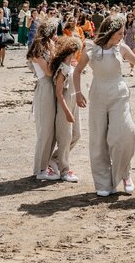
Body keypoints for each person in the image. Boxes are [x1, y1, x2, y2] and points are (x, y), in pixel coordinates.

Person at [72, 15, 135, 196]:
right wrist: (78, 93)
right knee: (98, 140)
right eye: (119, 33)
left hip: (119, 94)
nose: (122, 35)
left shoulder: (122, 48)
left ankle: (125, 173)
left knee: (124, 134)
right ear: (110, 32)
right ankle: (104, 183)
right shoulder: (91, 48)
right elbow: (78, 71)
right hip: (97, 95)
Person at [29, 19, 60, 180]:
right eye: (55, 32)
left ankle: (46, 163)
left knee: (52, 130)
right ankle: (40, 169)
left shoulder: (49, 45)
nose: (57, 36)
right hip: (45, 88)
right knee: (45, 129)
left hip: (52, 87)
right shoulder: (38, 49)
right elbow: (48, 72)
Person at [50, 36, 83, 183]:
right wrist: (67, 112)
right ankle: (64, 169)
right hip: (64, 106)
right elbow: (58, 93)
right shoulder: (62, 68)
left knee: (77, 134)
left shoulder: (71, 66)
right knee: (65, 138)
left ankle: (55, 158)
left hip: (73, 104)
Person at [122, 12, 135, 77]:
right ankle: (131, 68)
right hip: (127, 40)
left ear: (133, 17)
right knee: (130, 56)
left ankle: (132, 69)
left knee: (133, 55)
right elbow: (124, 32)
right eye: (128, 17)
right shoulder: (125, 24)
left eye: (131, 17)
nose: (130, 18)